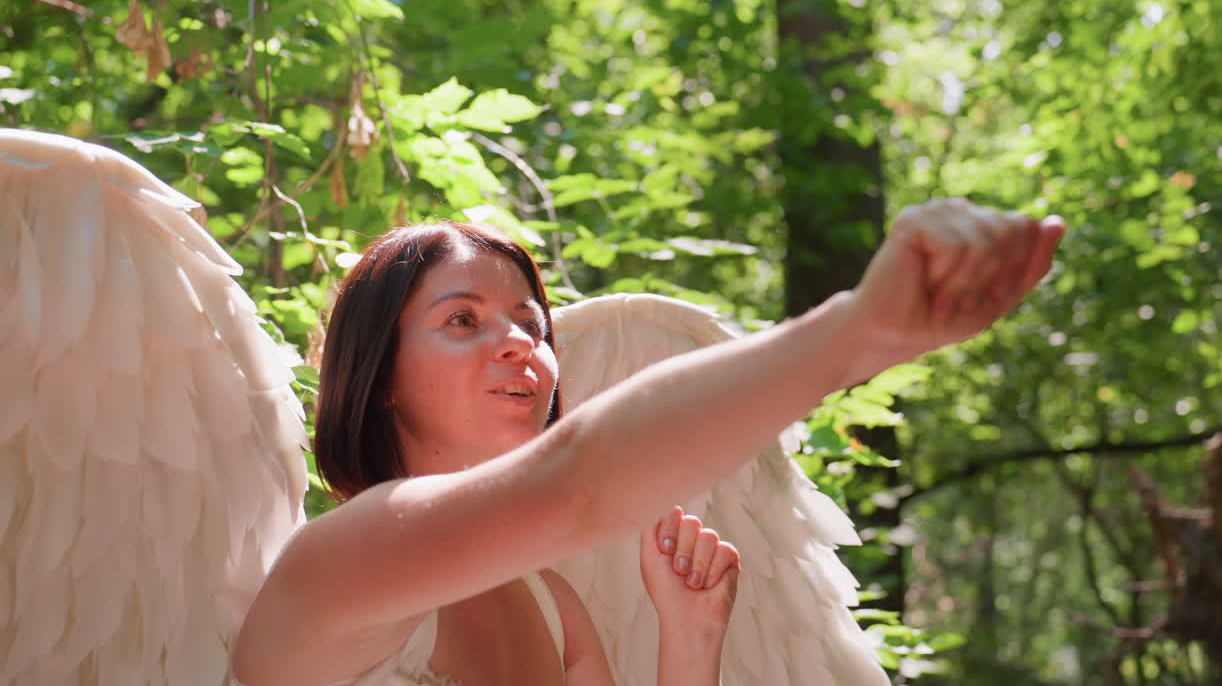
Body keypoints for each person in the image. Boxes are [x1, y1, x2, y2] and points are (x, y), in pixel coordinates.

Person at [232, 198, 1066, 686]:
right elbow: (578, 481)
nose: (524, 343)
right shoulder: (344, 556)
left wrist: (690, 642)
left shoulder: (555, 607)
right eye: (463, 320)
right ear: (377, 376)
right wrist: (858, 332)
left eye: (532, 322)